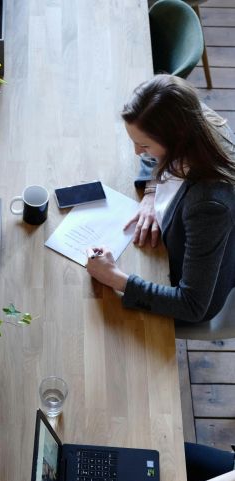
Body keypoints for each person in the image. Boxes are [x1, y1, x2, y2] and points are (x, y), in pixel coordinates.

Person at [86, 75, 235, 324]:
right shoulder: (191, 116)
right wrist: (152, 192)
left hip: (186, 291)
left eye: (144, 146)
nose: (137, 153)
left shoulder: (209, 206)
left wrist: (115, 277)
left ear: (175, 139)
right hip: (170, 247)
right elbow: (154, 156)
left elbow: (192, 305)